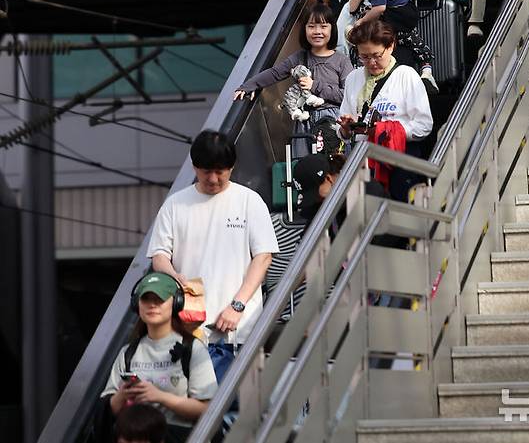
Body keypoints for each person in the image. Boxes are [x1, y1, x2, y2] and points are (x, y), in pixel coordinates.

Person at [147, 131, 278, 386]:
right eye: (207, 171)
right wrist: (173, 276)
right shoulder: (175, 205)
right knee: (194, 405)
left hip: (239, 331)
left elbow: (263, 257)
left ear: (232, 167)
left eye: (221, 171)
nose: (214, 179)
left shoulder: (249, 201)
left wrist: (237, 305)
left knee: (234, 404)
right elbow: (159, 255)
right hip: (189, 330)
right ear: (195, 167)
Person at [101, 272, 217, 442]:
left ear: (176, 302)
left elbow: (208, 409)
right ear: (137, 304)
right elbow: (106, 409)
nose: (152, 305)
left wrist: (159, 396)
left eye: (160, 299)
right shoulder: (128, 352)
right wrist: (123, 395)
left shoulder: (193, 348)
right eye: (146, 299)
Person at [337, 18, 434, 201]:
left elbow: (424, 125)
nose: (371, 62)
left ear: (390, 46)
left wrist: (386, 131)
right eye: (364, 57)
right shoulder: (353, 78)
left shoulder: (406, 75)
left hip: (400, 158)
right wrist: (345, 129)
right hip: (364, 159)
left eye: (377, 55)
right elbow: (343, 125)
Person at [233, 3, 352, 125]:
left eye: (323, 26)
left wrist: (314, 85)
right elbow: (274, 73)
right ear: (304, 29)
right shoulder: (299, 57)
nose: (317, 31)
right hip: (304, 121)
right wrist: (248, 86)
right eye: (311, 26)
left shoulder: (342, 61)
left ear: (332, 29)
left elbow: (348, 95)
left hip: (333, 123)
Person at [266, 152, 347, 319]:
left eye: (315, 194)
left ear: (328, 179)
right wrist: (279, 298)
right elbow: (307, 257)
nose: (315, 200)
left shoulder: (364, 193)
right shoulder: (321, 207)